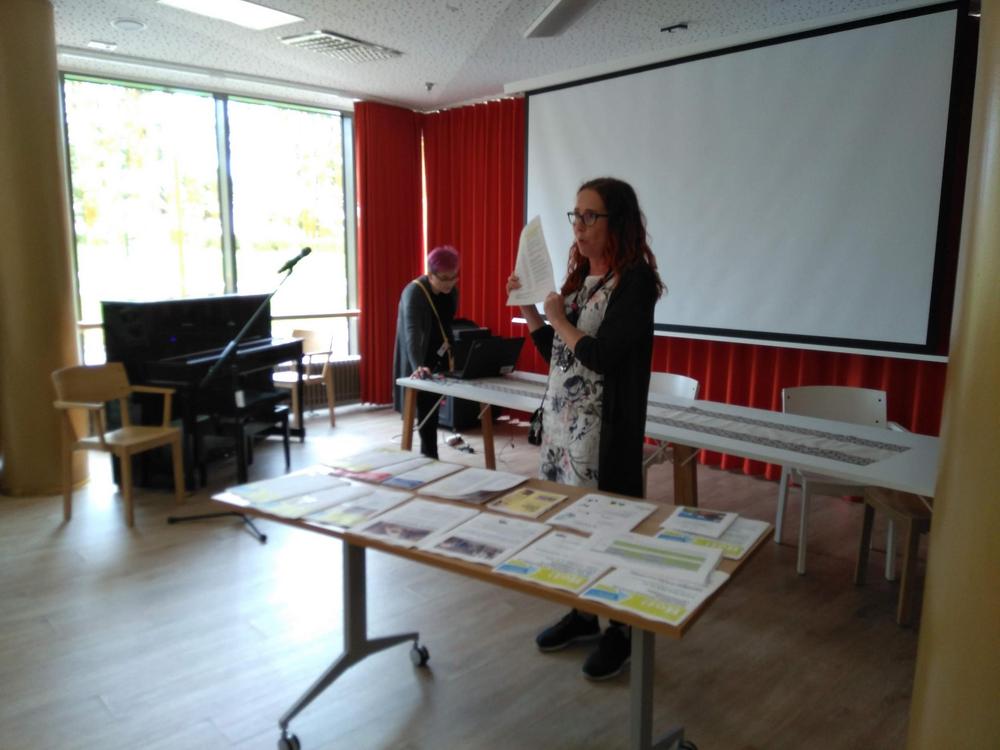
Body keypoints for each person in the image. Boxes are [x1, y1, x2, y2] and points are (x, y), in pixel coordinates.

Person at [507, 177, 664, 680]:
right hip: (563, 431)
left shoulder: (634, 283)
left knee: (611, 530)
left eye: (590, 216)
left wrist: (558, 319)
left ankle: (620, 629)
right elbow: (559, 355)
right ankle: (582, 612)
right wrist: (530, 310)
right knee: (570, 525)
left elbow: (601, 356)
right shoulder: (580, 278)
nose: (579, 225)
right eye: (575, 215)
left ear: (617, 222)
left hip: (604, 436)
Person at [393, 245, 460, 459]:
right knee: (425, 408)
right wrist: (418, 366)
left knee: (433, 408)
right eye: (444, 278)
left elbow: (447, 325)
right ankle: (429, 456)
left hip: (440, 355)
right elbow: (411, 332)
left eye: (454, 277)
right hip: (419, 356)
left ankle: (430, 455)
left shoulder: (452, 292)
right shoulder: (414, 292)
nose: (450, 283)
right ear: (430, 274)